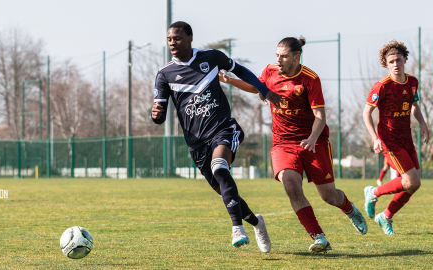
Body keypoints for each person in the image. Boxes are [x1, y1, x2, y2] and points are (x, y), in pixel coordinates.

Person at [218, 37, 367, 254]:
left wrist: (313, 138)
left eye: (284, 56)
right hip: (283, 143)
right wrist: (230, 80)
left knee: (329, 196)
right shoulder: (270, 70)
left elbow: (320, 115)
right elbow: (256, 86)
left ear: (297, 58)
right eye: (277, 55)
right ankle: (319, 237)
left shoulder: (310, 79)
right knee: (290, 185)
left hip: (313, 142)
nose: (278, 59)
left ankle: (349, 209)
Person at [151, 21, 282, 252]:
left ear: (190, 38)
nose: (172, 42)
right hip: (196, 143)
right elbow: (159, 116)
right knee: (223, 189)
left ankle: (236, 229)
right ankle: (256, 222)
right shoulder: (164, 74)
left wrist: (264, 89)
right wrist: (156, 115)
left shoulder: (211, 57)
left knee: (220, 168)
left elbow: (240, 70)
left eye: (177, 38)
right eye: (170, 39)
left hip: (223, 128)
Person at [363, 40, 429, 235]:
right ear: (386, 64)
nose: (395, 64)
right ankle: (373, 192)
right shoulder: (382, 86)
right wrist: (375, 138)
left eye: (398, 60)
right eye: (391, 61)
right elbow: (366, 113)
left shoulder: (413, 82)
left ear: (405, 60)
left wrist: (423, 124)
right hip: (389, 140)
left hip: (406, 138)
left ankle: (386, 216)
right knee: (412, 181)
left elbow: (414, 106)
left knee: (413, 185)